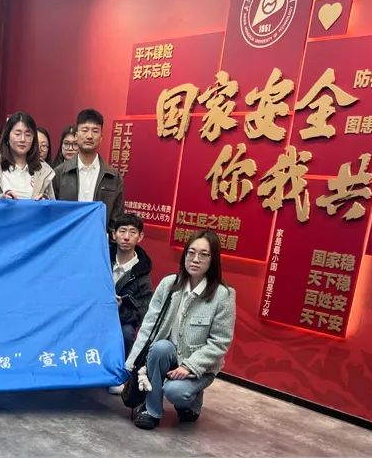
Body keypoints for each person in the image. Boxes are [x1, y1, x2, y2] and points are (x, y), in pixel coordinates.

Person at [125, 229, 236, 430]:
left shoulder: (223, 295)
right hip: (167, 355)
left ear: (213, 260)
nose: (196, 259)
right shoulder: (169, 284)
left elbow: (220, 342)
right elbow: (149, 326)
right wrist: (132, 363)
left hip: (198, 366)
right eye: (191, 252)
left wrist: (189, 367)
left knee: (175, 391)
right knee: (160, 347)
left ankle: (191, 403)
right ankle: (151, 410)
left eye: (204, 254)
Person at [53, 109, 124, 230]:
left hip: (98, 239)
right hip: (67, 238)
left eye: (95, 131)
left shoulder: (113, 177)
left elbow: (116, 220)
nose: (89, 136)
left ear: (101, 137)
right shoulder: (59, 173)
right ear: (76, 136)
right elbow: (53, 214)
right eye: (85, 130)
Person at [108, 213, 153, 394]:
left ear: (140, 237)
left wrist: (120, 310)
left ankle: (119, 376)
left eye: (132, 232)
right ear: (114, 234)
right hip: (92, 314)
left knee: (127, 333)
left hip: (120, 320)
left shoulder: (142, 274)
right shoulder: (101, 258)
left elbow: (142, 312)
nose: (126, 237)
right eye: (122, 231)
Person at [0, 112, 55, 200]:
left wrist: (45, 201)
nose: (23, 139)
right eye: (17, 134)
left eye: (28, 135)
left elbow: (52, 205)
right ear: (7, 136)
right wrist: (1, 199)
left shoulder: (43, 170)